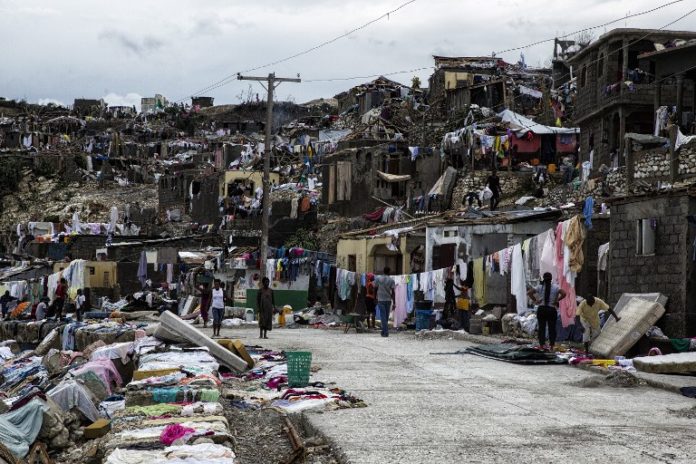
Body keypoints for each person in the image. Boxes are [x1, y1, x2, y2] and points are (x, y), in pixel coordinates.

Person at [527, 273, 566, 350]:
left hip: (541, 309)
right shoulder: (556, 287)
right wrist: (557, 300)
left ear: (543, 278)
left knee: (541, 328)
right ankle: (551, 345)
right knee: (552, 328)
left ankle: (542, 345)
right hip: (551, 310)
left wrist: (536, 300)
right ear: (551, 279)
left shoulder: (540, 287)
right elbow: (564, 293)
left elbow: (529, 293)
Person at [374, 267, 395, 338]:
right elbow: (393, 292)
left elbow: (375, 289)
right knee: (386, 316)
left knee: (383, 316)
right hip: (388, 299)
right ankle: (385, 332)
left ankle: (384, 331)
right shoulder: (391, 280)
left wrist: (375, 298)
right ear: (389, 272)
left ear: (383, 271)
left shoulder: (378, 278)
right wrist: (394, 302)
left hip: (380, 299)